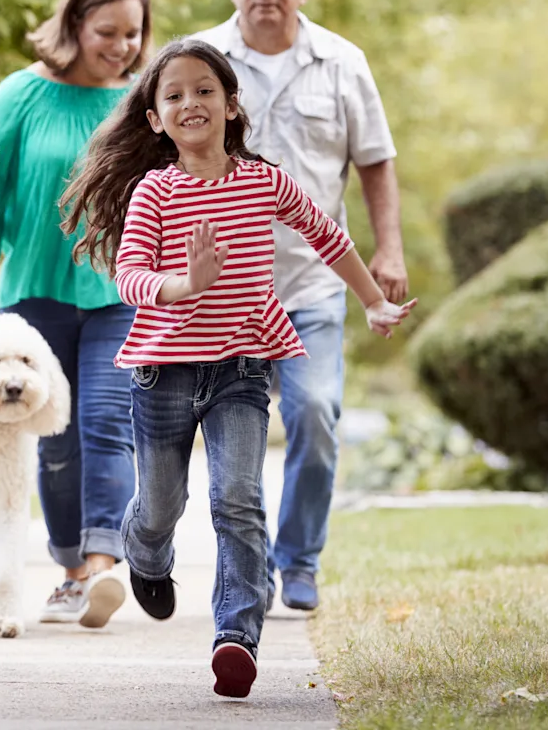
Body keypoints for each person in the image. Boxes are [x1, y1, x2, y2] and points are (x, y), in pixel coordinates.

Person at [60, 39, 413, 698]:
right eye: (174, 95)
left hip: (242, 368)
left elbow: (328, 235)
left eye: (204, 90)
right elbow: (131, 274)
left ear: (230, 104)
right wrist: (183, 284)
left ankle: (236, 636)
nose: (190, 102)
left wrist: (373, 301)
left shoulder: (263, 180)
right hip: (163, 371)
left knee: (238, 500)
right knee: (161, 504)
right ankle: (147, 556)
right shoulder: (154, 191)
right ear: (156, 120)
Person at [191, 0, 408, 613]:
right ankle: (245, 574)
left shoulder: (343, 62)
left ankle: (300, 558)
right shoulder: (199, 63)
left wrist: (389, 248)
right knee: (231, 446)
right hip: (223, 294)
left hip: (314, 284)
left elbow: (374, 159)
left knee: (316, 413)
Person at [0, 0, 153, 628]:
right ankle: (68, 570)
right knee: (55, 439)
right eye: (106, 32)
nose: (120, 47)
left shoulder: (143, 103)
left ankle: (101, 566)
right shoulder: (22, 94)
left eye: (132, 34)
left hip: (120, 289)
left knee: (106, 424)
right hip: (35, 292)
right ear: (75, 25)